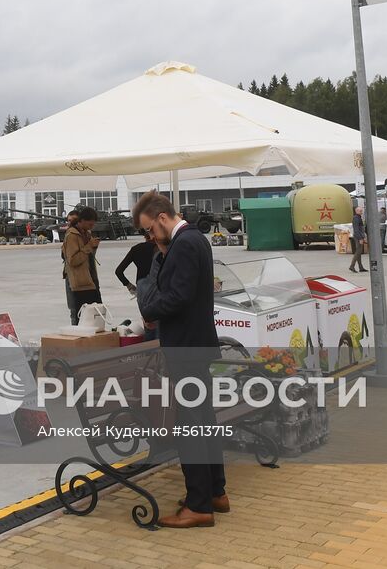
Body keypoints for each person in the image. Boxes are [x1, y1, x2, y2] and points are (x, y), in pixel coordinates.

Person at [133, 192, 227, 530]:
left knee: (190, 426)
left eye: (148, 229)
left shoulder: (184, 244)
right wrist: (161, 252)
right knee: (204, 419)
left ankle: (199, 504)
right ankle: (214, 492)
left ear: (160, 217)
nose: (150, 237)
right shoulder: (194, 240)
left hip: (186, 348)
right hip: (197, 345)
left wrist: (149, 310)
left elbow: (178, 296)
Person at [62, 206, 102, 325]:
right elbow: (73, 260)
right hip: (80, 284)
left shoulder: (86, 233)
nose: (91, 227)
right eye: (90, 224)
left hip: (91, 280)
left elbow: (88, 256)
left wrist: (93, 246)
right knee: (83, 319)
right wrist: (89, 246)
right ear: (82, 220)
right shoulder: (72, 236)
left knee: (97, 315)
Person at [114, 227, 157, 296]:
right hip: (159, 288)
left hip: (142, 287)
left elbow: (119, 271)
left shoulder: (136, 249)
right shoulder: (162, 249)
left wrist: (129, 285)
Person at [348, 206, 367, 273]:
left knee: (359, 252)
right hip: (358, 237)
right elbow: (356, 229)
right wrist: (360, 238)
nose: (361, 212)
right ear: (356, 211)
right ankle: (352, 266)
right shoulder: (356, 218)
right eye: (360, 211)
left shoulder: (358, 217)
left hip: (359, 236)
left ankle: (360, 267)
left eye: (361, 210)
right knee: (358, 252)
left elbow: (360, 228)